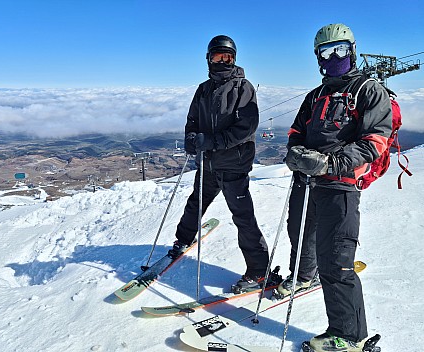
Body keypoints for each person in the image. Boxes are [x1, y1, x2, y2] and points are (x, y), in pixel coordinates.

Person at [276, 24, 392, 351]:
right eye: (327, 52)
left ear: (352, 50)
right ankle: (303, 276)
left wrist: (330, 164)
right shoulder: (316, 95)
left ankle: (350, 335)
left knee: (337, 260)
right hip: (306, 183)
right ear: (318, 57)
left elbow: (375, 142)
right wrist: (296, 154)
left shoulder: (368, 90)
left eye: (340, 50)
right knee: (299, 232)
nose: (334, 57)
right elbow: (296, 132)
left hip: (340, 187)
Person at [168, 35, 269, 291]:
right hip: (208, 165)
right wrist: (191, 138)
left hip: (233, 166)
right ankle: (183, 240)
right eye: (218, 56)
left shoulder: (243, 88)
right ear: (209, 59)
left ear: (234, 59)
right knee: (195, 204)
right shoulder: (203, 89)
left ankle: (258, 271)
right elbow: (192, 120)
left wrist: (211, 141)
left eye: (228, 57)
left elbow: (246, 128)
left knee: (243, 218)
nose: (223, 61)